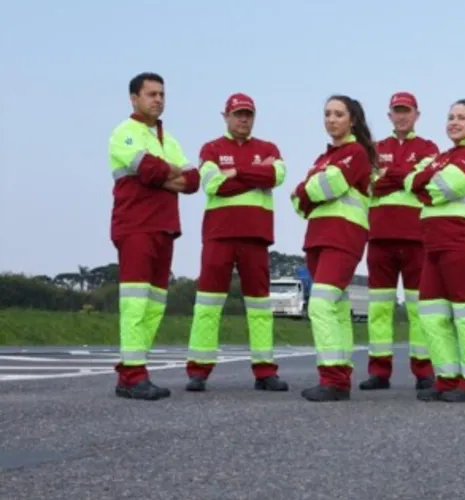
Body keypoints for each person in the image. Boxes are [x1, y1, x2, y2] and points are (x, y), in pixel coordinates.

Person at [184, 93, 289, 393]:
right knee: (208, 303)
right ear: (226, 116)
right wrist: (255, 174)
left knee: (259, 307)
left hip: (256, 237)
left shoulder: (269, 148)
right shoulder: (211, 148)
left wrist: (237, 172)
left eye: (248, 114)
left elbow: (277, 176)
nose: (243, 119)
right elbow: (212, 184)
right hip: (219, 235)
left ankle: (265, 371)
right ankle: (198, 371)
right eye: (238, 114)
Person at [107, 72, 200, 400]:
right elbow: (150, 170)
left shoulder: (167, 138)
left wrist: (163, 172)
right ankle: (133, 375)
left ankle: (131, 370)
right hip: (135, 226)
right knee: (135, 302)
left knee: (155, 305)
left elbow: (193, 181)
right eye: (151, 94)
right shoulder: (124, 133)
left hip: (164, 227)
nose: (158, 99)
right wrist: (166, 171)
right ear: (134, 98)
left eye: (162, 94)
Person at [405, 99, 465, 403]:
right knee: (431, 313)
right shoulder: (443, 157)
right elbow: (411, 181)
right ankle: (447, 377)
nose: (454, 122)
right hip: (434, 244)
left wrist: (422, 183)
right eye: (450, 117)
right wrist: (421, 182)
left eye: (461, 117)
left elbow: (441, 189)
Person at [292, 95, 378, 402]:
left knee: (320, 305)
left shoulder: (355, 152)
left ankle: (331, 378)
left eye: (338, 114)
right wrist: (310, 187)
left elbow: (328, 187)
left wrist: (307, 187)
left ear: (352, 119)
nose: (331, 119)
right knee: (338, 307)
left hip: (343, 236)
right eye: (327, 113)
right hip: (317, 237)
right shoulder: (324, 158)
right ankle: (340, 377)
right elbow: (298, 204)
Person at [360, 92, 439, 391]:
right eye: (397, 111)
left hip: (417, 238)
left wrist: (389, 176)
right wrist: (406, 176)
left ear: (417, 114)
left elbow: (427, 178)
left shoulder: (429, 147)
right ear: (389, 115)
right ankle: (379, 371)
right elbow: (370, 182)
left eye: (407, 111)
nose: (402, 116)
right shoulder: (375, 149)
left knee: (420, 308)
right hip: (380, 238)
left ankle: (424, 371)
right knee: (379, 308)